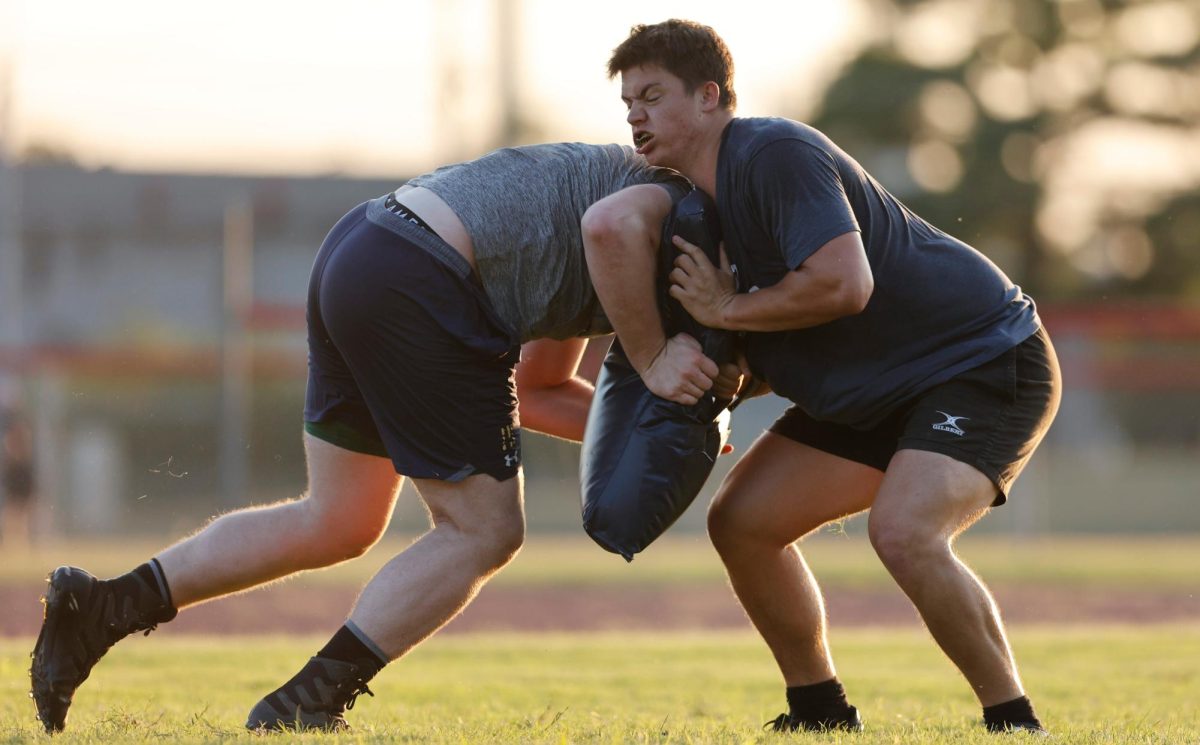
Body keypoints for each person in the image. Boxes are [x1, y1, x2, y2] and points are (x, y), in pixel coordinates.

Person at [30, 142, 691, 733]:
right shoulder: (636, 227)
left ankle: (104, 604)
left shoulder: (607, 209)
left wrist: (653, 425)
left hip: (366, 244)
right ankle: (308, 701)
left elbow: (541, 389)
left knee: (340, 518)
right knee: (484, 529)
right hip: (419, 278)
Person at [586, 19, 1061, 734]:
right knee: (742, 524)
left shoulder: (772, 152)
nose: (636, 115)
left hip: (981, 359)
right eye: (628, 103)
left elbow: (845, 286)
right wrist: (728, 379)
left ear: (711, 96)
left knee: (903, 531)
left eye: (653, 95)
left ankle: (1014, 720)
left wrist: (728, 306)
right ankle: (820, 710)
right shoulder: (696, 210)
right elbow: (781, 335)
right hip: (873, 392)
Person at [1, 401, 37, 549]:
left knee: (23, 509)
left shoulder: (22, 432)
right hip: (16, 471)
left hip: (21, 471)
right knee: (14, 509)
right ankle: (13, 540)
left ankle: (20, 541)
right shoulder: (13, 433)